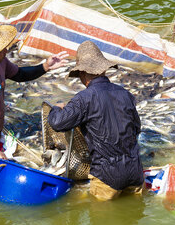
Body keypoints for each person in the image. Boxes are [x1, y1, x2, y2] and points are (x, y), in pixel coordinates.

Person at [0, 22, 67, 177]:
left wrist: (45, 67)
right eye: (1, 48)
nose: (6, 50)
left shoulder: (0, 62)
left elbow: (20, 75)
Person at [48, 40, 144, 201]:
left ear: (82, 74)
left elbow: (57, 123)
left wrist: (57, 108)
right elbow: (137, 128)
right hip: (135, 172)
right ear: (103, 70)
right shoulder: (125, 94)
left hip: (107, 176)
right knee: (133, 218)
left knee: (101, 221)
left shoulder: (84, 99)